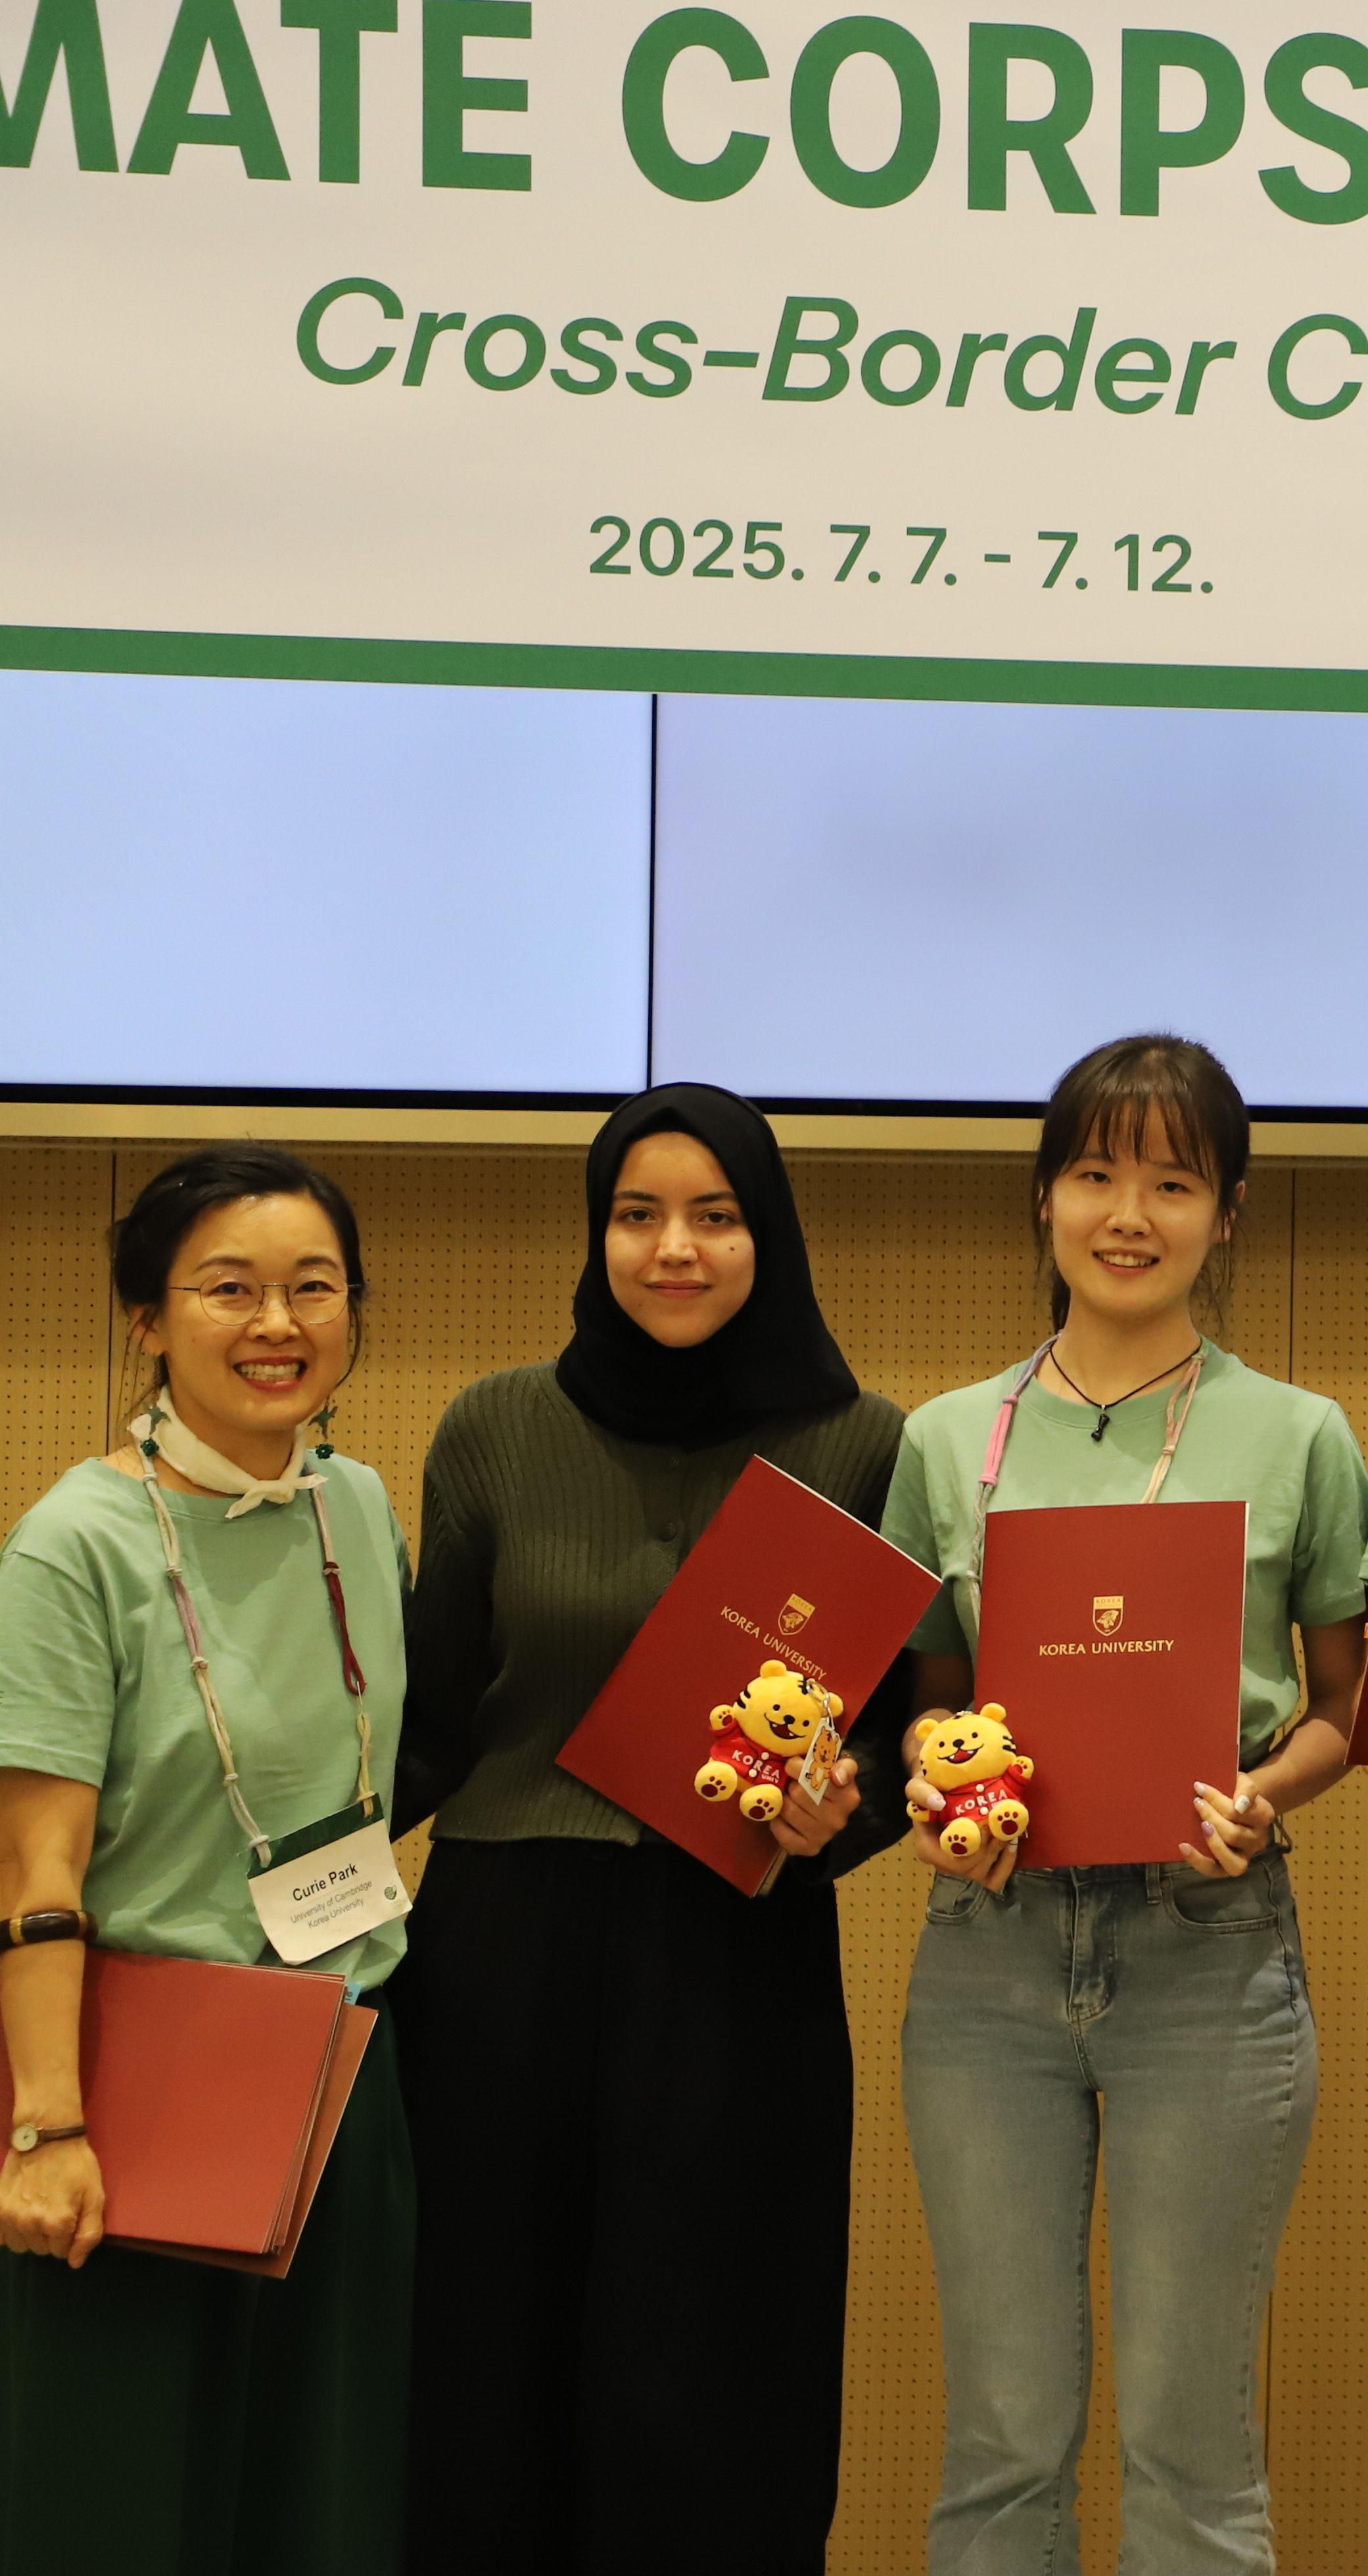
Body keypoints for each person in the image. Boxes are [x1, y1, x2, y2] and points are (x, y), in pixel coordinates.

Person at [390, 1084, 908, 2576]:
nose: (672, 1248)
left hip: (733, 1953)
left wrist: (844, 1804)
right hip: (501, 1953)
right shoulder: (493, 1425)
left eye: (715, 1215)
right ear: (598, 1231)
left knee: (718, 2357)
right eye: (637, 1214)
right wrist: (273, 1888)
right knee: (490, 2350)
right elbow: (427, 1725)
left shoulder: (861, 1441)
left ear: (772, 1235)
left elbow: (889, 1730)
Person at [878, 1034, 1368, 2576]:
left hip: (1208, 1952)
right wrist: (933, 1777)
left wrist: (1267, 1794)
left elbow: (1349, 1708)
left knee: (1190, 2451)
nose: (1130, 1212)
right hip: (992, 1955)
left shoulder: (1298, 1434)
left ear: (1227, 1214)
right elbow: (930, 1703)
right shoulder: (946, 1437)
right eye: (1097, 1172)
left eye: (1174, 1179)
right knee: (1002, 2444)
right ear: (1044, 1200)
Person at [0, 1147, 417, 2576]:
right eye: (229, 1289)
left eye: (314, 1288)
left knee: (322, 2500)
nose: (278, 1325)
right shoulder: (77, 1541)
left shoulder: (356, 1506)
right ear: (144, 1318)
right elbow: (36, 1872)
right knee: (117, 2504)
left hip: (335, 2072)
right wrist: (47, 2131)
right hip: (140, 2089)